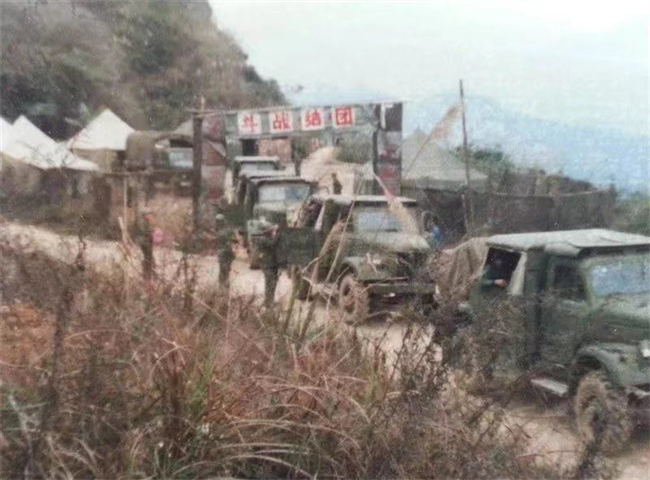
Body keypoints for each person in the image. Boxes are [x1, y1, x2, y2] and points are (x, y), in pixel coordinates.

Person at [256, 218, 280, 307]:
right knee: (270, 283)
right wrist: (277, 234)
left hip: (271, 264)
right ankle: (268, 303)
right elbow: (273, 244)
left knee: (271, 283)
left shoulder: (266, 238)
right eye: (270, 230)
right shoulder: (263, 239)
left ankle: (269, 301)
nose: (272, 231)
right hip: (268, 265)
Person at [215, 213, 236, 290]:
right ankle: (225, 288)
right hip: (228, 253)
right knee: (226, 271)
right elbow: (235, 240)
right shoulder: (229, 230)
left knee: (223, 271)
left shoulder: (219, 232)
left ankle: (222, 288)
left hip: (223, 253)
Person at [134, 209, 156, 281]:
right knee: (148, 258)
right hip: (145, 243)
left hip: (145, 242)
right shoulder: (142, 222)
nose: (151, 216)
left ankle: (148, 274)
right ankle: (147, 274)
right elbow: (144, 232)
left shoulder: (145, 222)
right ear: (145, 215)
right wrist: (151, 231)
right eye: (149, 214)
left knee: (148, 258)